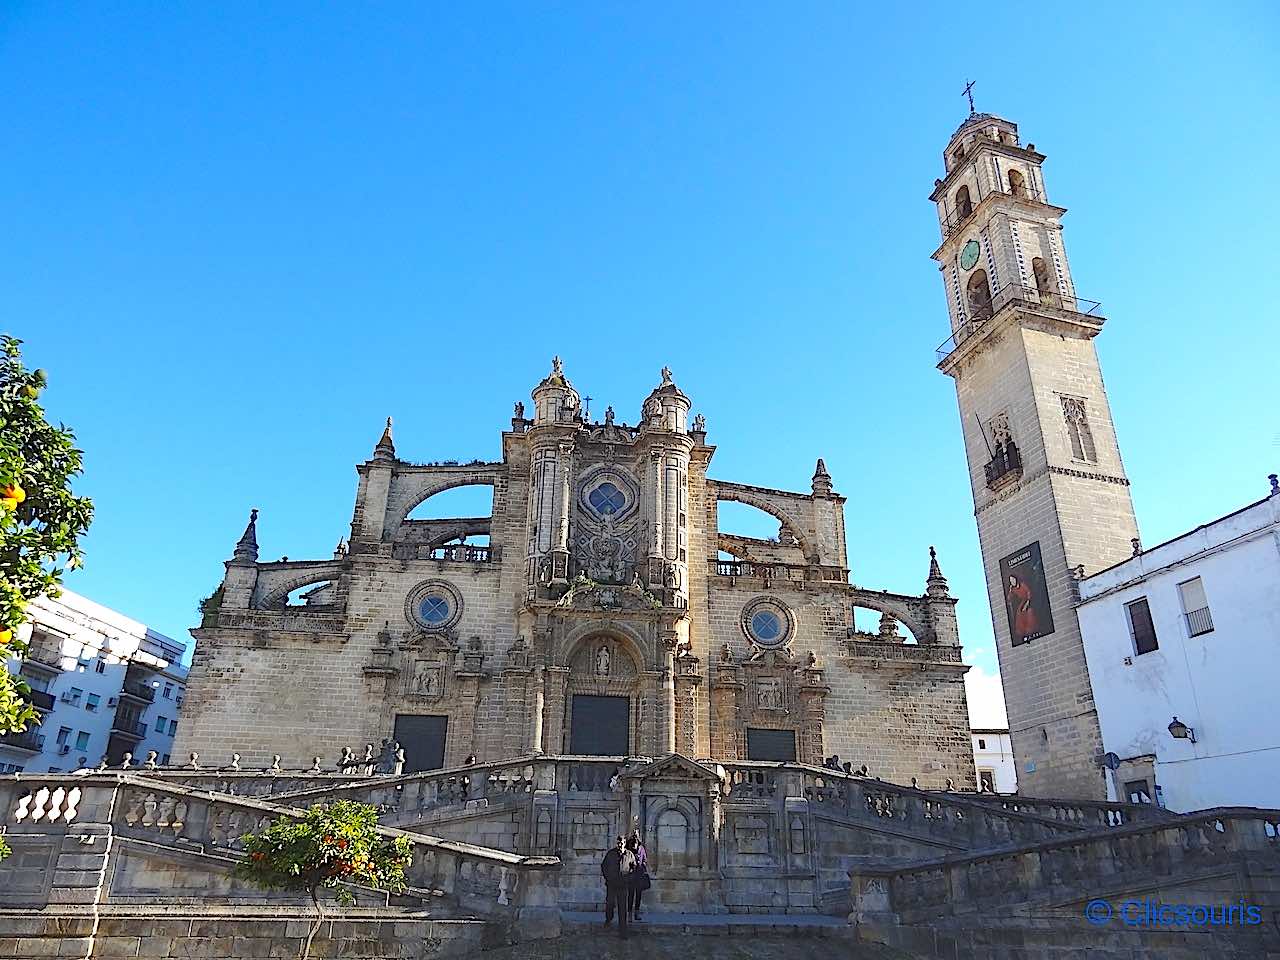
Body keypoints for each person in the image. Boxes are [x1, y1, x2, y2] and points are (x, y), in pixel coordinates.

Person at [600, 835, 636, 937]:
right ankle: (608, 919)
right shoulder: (611, 854)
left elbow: (634, 868)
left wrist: (629, 879)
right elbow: (604, 866)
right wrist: (608, 878)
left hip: (623, 884)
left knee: (622, 907)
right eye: (618, 843)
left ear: (625, 843)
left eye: (622, 843)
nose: (620, 845)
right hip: (612, 884)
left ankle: (623, 930)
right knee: (610, 903)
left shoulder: (630, 855)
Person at [626, 831, 650, 921]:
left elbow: (645, 859)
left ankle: (636, 913)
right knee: (631, 895)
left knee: (638, 895)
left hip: (639, 875)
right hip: (631, 875)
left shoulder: (641, 848)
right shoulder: (628, 848)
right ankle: (629, 914)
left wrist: (642, 864)